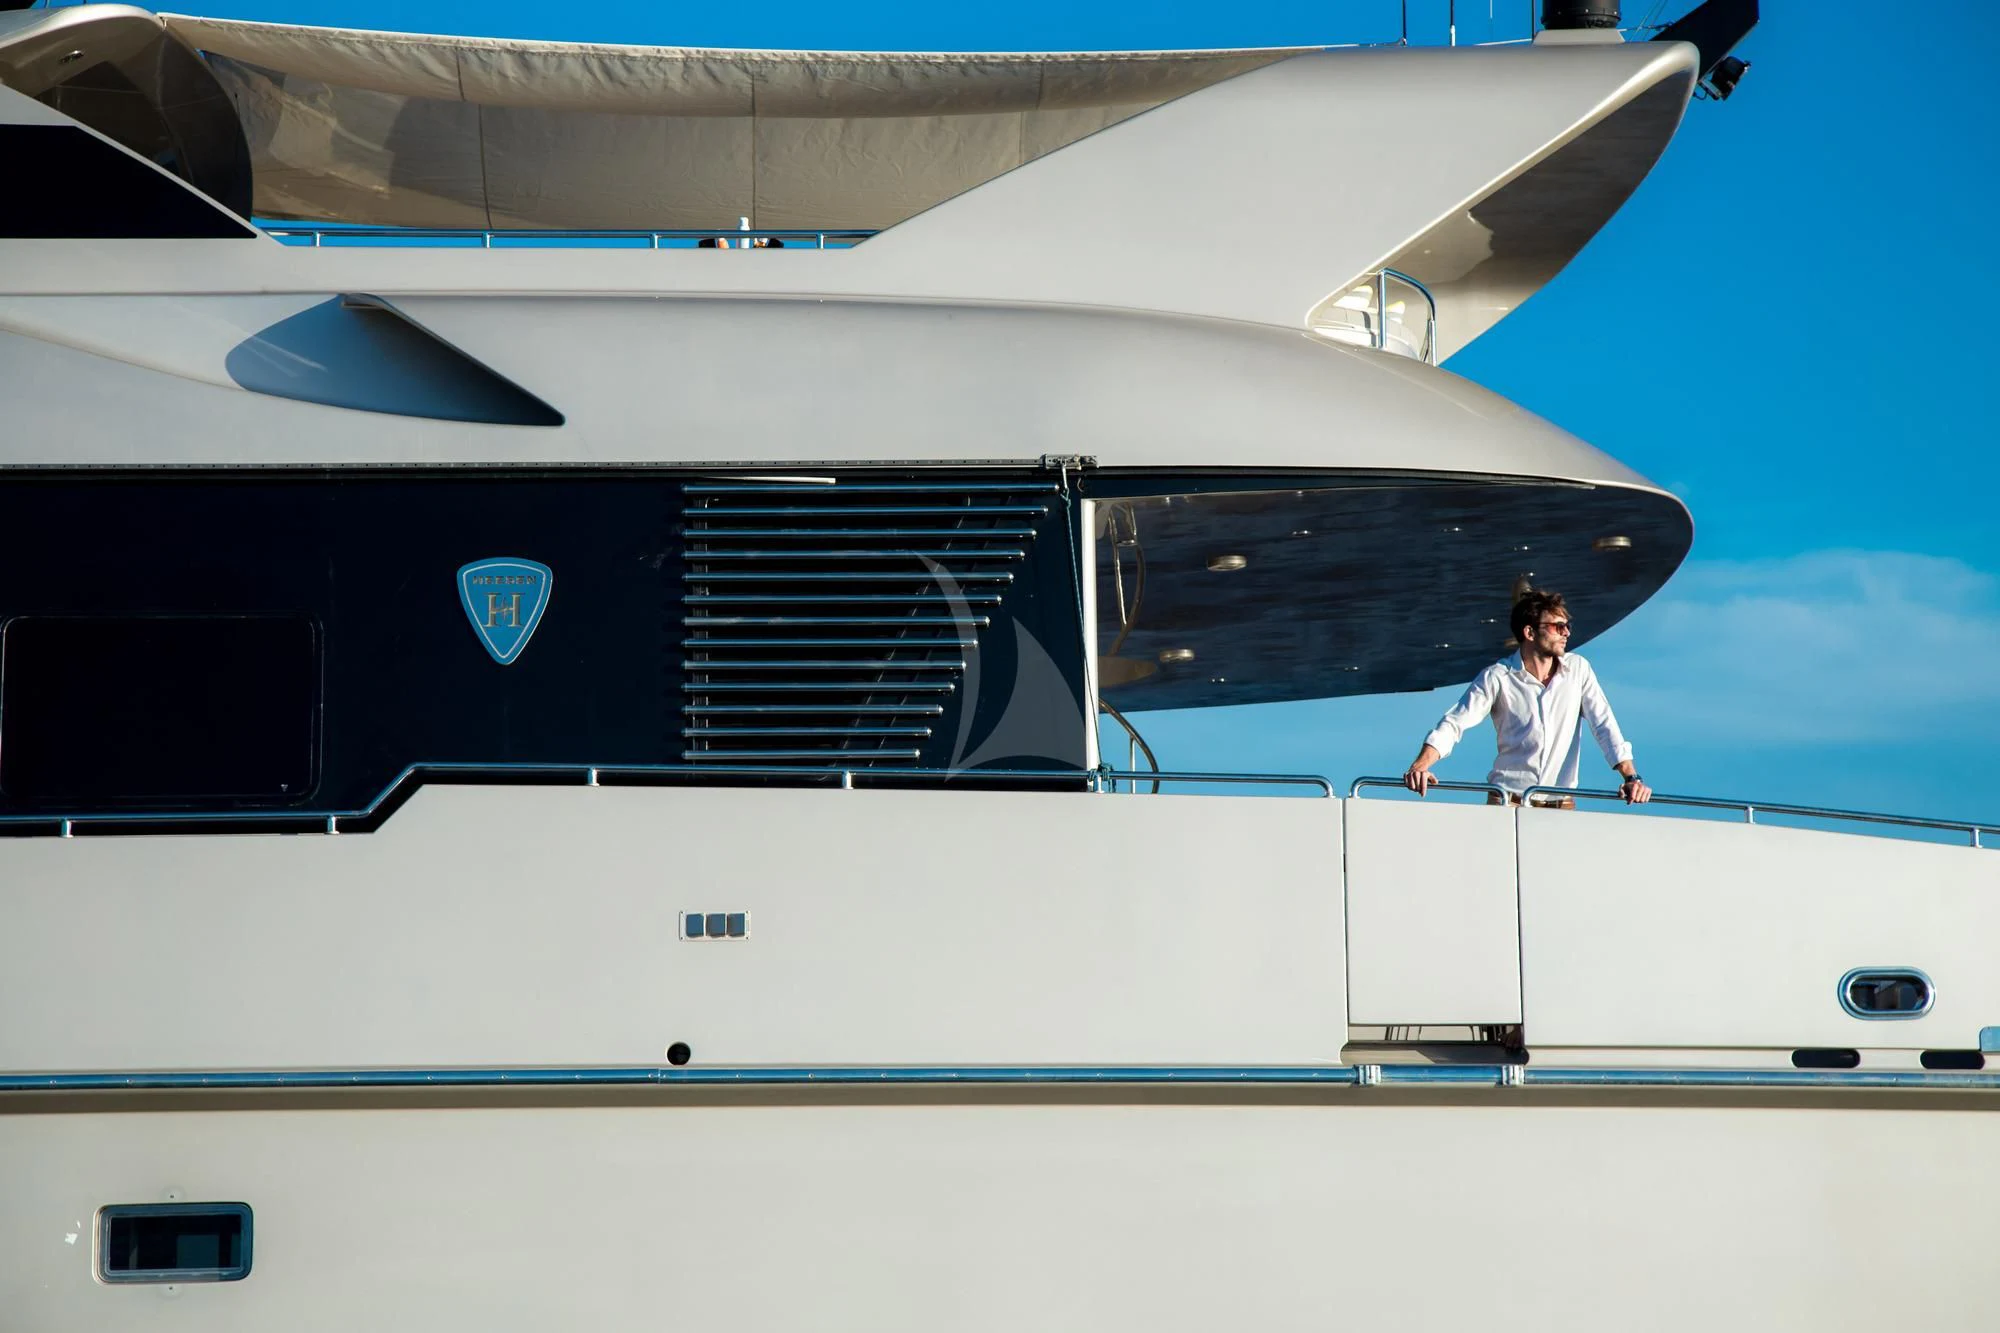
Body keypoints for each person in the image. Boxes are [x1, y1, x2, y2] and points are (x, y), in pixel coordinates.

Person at [1403, 589, 1651, 805]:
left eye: (1567, 626)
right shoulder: (1498, 676)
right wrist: (1421, 765)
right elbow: (1455, 722)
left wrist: (1631, 777)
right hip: (1506, 802)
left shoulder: (1579, 670)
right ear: (1530, 632)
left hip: (1560, 805)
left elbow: (1604, 725)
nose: (1566, 633)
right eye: (1557, 627)